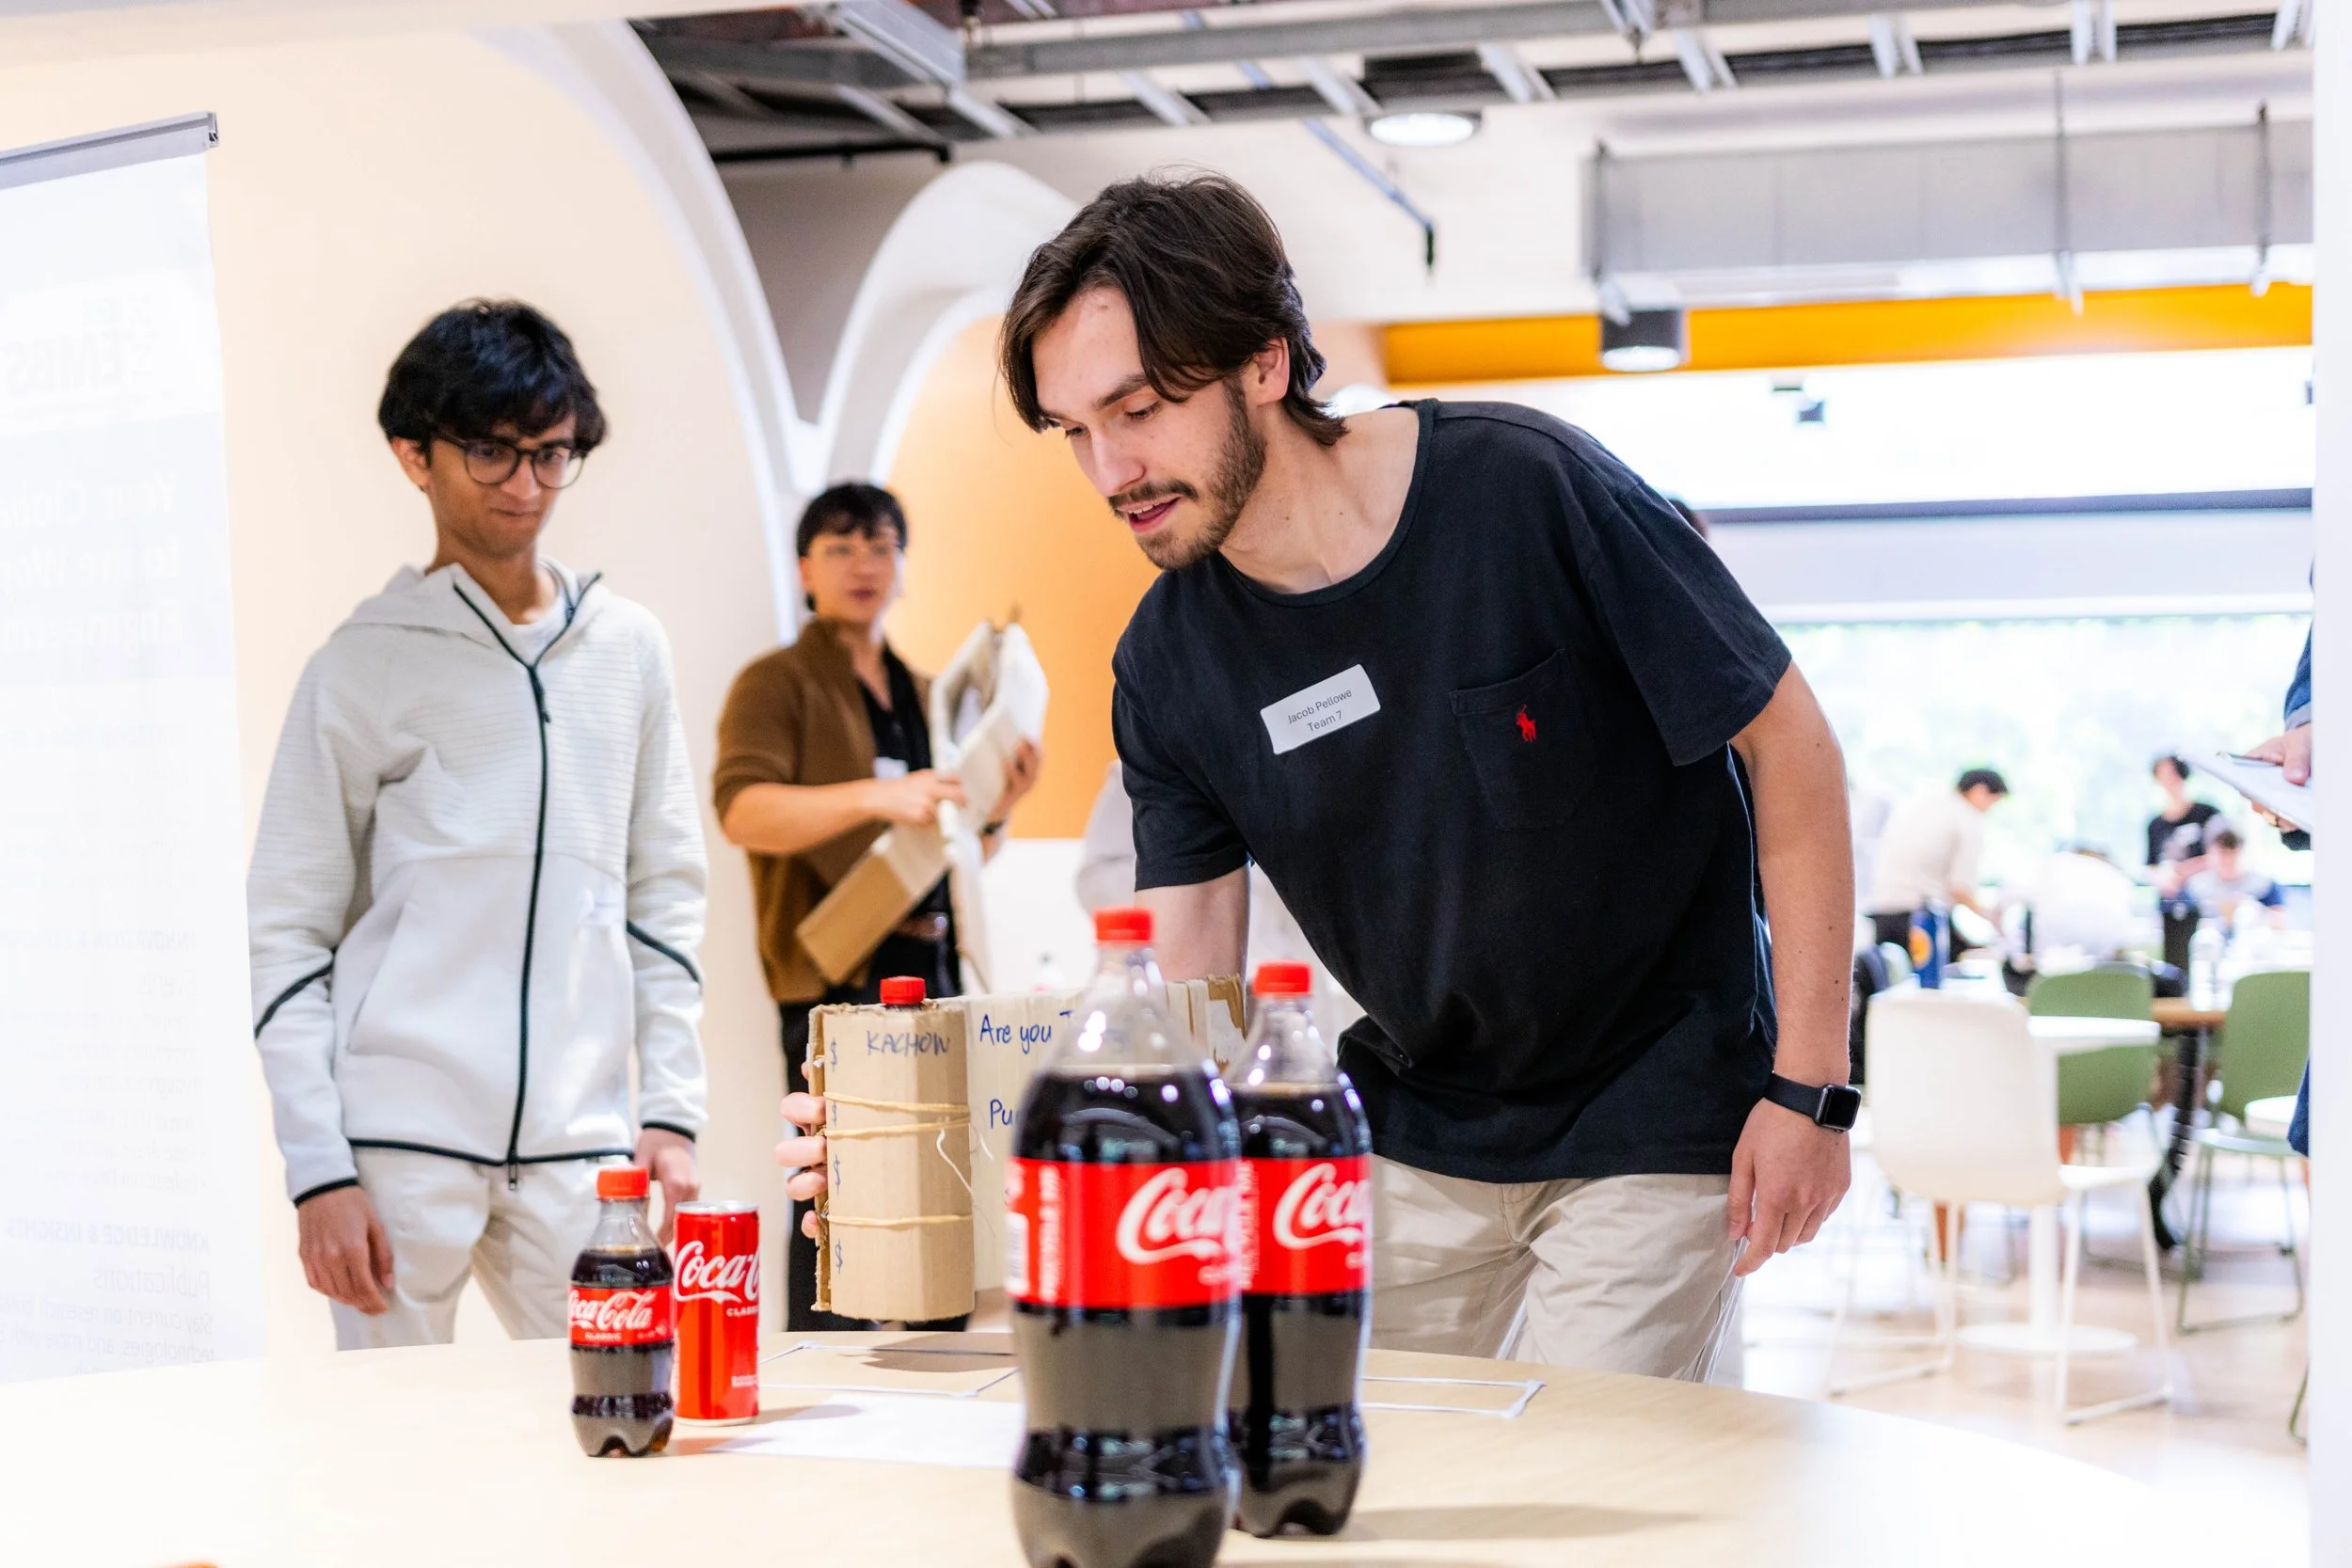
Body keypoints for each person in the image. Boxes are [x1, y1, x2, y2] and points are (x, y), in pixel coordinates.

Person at [790, 172, 1858, 1385]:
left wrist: (1808, 1088)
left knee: (1575, 1459)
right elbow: (1177, 991)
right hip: (1412, 1117)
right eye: (1074, 429)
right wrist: (920, 1124)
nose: (1108, 469)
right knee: (1346, 1444)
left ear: (1261, 360)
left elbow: (1791, 743)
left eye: (1137, 408)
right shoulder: (1168, 661)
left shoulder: (1525, 488)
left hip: (1654, 1101)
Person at [248, 301, 707, 1348]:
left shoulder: (627, 648)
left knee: (626, 1413)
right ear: (415, 454)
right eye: (491, 453)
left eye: (551, 455)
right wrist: (318, 1167)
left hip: (584, 1144)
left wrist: (671, 1110)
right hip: (397, 1143)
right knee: (398, 1462)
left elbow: (665, 892)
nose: (525, 486)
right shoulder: (361, 665)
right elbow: (288, 929)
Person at [714, 483, 1040, 1329]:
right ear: (803, 569)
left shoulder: (926, 692)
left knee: (945, 1175)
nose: (865, 564)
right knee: (832, 1185)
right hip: (838, 969)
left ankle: (935, 1354)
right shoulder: (776, 680)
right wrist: (872, 798)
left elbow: (960, 851)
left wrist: (999, 804)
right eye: (841, 545)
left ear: (902, 567)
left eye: (883, 546)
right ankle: (821, 1362)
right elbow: (744, 810)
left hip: (931, 965)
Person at [1865, 768, 2008, 952]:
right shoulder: (1967, 818)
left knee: (1894, 976)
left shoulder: (1922, 803)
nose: (1990, 810)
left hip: (1882, 911)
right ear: (1979, 791)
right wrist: (1990, 917)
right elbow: (1959, 888)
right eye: (1993, 802)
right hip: (1921, 918)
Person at [2144, 754, 2221, 895]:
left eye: (2173, 773)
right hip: (2169, 894)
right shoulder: (2154, 825)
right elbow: (2151, 866)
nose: (2169, 780)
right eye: (2163, 775)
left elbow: (2224, 853)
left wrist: (2186, 870)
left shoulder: (2207, 813)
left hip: (2206, 889)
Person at [2183, 828, 2286, 930]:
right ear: (2210, 854)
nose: (2228, 860)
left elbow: (2280, 922)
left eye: (2233, 853)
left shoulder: (2262, 884)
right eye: (2222, 854)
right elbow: (2182, 924)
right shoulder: (2196, 886)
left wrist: (2253, 909)